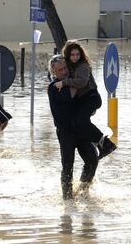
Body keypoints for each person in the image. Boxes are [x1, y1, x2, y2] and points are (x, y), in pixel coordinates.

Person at [54, 41, 117, 159]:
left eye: (77, 54)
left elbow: (82, 82)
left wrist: (64, 82)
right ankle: (100, 145)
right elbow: (62, 73)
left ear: (81, 55)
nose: (75, 57)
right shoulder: (70, 65)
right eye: (72, 55)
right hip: (84, 99)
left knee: (81, 121)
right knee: (78, 123)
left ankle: (107, 144)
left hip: (92, 97)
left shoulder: (83, 66)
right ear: (68, 55)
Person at [48, 55, 99, 200]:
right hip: (66, 133)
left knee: (92, 160)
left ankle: (83, 190)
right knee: (67, 166)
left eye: (66, 68)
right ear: (54, 72)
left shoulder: (71, 81)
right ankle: (67, 199)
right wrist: (81, 79)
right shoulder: (54, 87)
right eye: (60, 70)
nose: (64, 72)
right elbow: (73, 92)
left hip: (81, 129)